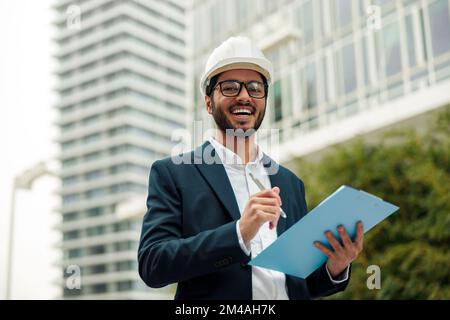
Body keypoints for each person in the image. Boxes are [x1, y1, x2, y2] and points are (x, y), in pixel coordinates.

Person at [138, 36, 364, 300]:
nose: (245, 96)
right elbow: (153, 264)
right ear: (208, 103)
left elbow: (302, 284)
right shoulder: (175, 174)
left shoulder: (290, 183)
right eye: (231, 87)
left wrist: (335, 267)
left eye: (255, 88)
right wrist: (239, 233)